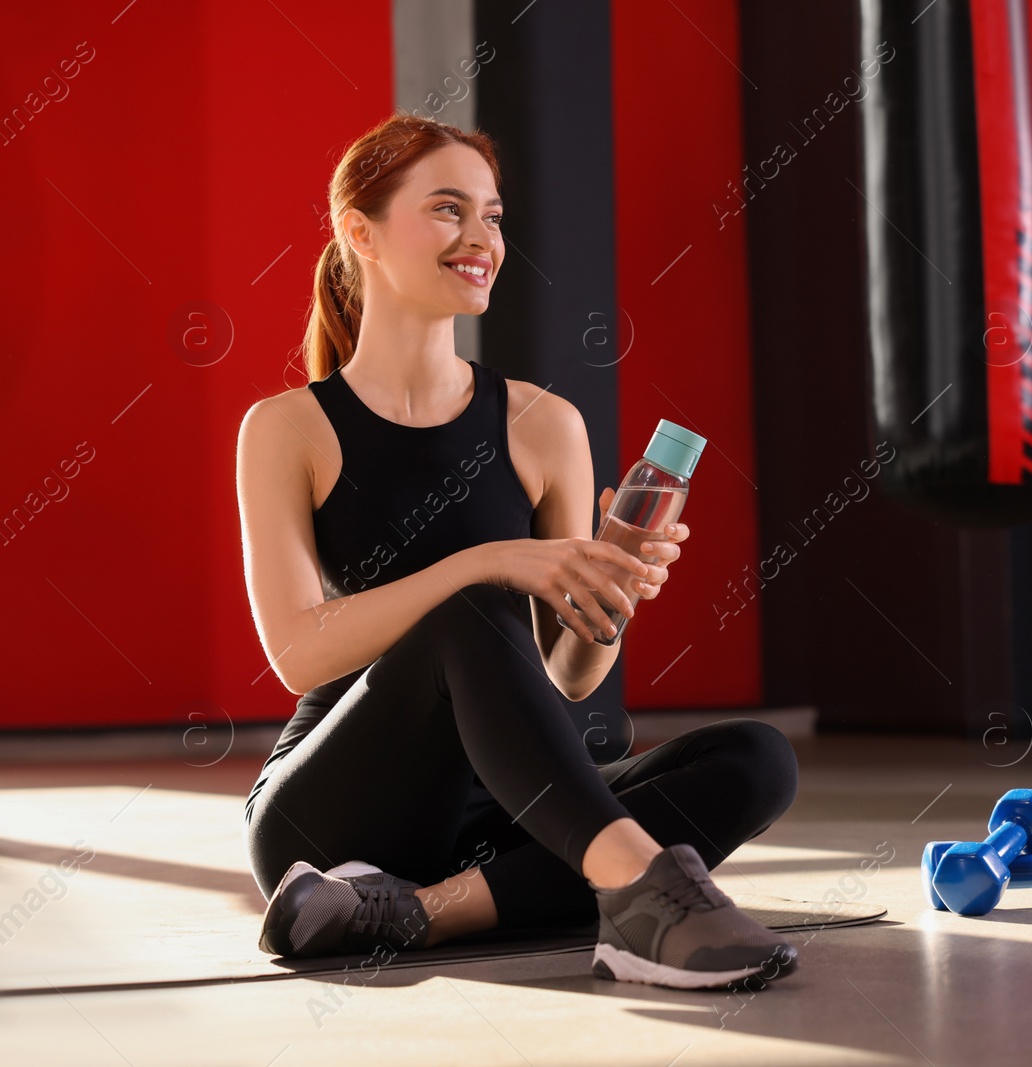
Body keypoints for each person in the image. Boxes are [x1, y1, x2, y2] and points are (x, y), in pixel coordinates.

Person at [235, 112, 799, 991]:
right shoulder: (286, 428)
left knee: (758, 759)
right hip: (332, 817)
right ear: (360, 231)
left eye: (493, 215)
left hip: (493, 813)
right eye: (450, 209)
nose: (481, 238)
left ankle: (413, 912)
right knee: (470, 609)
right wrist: (484, 563)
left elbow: (567, 675)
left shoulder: (545, 425)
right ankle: (640, 895)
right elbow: (296, 650)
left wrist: (609, 590)